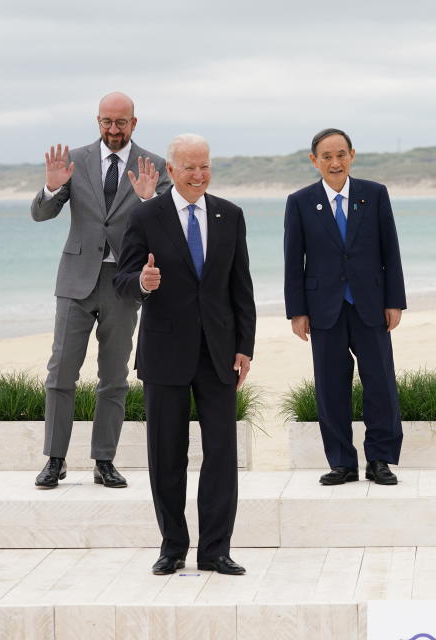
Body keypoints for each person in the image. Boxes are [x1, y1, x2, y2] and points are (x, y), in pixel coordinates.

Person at [114, 134, 255, 576]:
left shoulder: (230, 215)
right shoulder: (144, 216)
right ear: (170, 170)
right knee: (167, 454)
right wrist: (143, 282)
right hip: (164, 353)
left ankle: (216, 550)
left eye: (205, 166)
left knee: (221, 453)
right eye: (189, 167)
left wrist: (244, 347)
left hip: (218, 354)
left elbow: (241, 288)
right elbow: (123, 277)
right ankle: (173, 547)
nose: (199, 175)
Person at [31, 92, 171, 489]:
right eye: (106, 122)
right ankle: (55, 460)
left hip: (124, 283)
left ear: (134, 122)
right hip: (75, 280)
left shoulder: (154, 166)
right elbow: (41, 214)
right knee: (60, 373)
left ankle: (104, 461)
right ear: (98, 121)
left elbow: (166, 225)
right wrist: (51, 187)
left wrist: (148, 199)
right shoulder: (75, 160)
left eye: (120, 123)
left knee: (114, 376)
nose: (113, 130)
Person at [283, 128, 406, 486]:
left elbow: (390, 253)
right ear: (314, 160)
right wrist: (297, 311)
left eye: (341, 154)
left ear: (352, 154)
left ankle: (380, 460)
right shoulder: (301, 201)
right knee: (331, 388)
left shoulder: (374, 194)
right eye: (326, 156)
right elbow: (294, 261)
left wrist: (394, 301)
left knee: (381, 385)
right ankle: (342, 463)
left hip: (370, 305)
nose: (335, 162)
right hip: (324, 310)